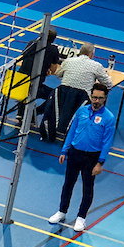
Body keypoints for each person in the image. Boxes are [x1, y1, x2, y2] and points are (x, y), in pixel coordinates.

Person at [51, 79, 114, 235]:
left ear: (105, 99)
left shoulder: (109, 118)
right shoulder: (82, 111)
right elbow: (72, 131)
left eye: (99, 98)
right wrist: (64, 151)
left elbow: (107, 142)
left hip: (92, 157)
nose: (96, 101)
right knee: (68, 184)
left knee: (87, 188)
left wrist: (100, 162)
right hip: (74, 153)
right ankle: (62, 211)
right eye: (94, 97)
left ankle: (81, 217)